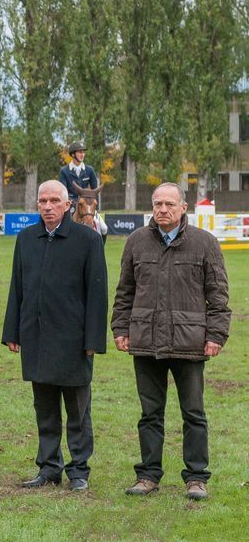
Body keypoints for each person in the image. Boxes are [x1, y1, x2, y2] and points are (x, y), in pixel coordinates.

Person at [112, 182, 230, 501]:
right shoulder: (136, 241)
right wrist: (120, 328)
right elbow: (125, 292)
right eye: (157, 204)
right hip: (146, 340)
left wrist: (216, 334)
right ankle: (148, 475)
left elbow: (218, 295)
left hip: (189, 343)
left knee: (193, 413)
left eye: (169, 204)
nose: (163, 209)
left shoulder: (204, 243)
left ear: (183, 208)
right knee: (150, 413)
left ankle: (196, 478)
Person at [1, 180, 107, 491]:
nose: (48, 206)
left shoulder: (88, 240)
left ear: (68, 205)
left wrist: (93, 340)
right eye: (43, 201)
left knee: (78, 412)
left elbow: (97, 294)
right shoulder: (26, 238)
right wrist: (12, 331)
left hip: (74, 341)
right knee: (45, 410)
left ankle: (78, 470)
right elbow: (17, 287)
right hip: (37, 338)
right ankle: (48, 468)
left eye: (54, 201)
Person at [58, 141, 98, 210]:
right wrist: (73, 203)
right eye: (80, 152)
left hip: (87, 206)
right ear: (73, 154)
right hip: (70, 205)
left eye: (83, 152)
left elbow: (95, 191)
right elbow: (63, 192)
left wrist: (95, 207)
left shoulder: (89, 170)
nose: (82, 155)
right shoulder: (64, 171)